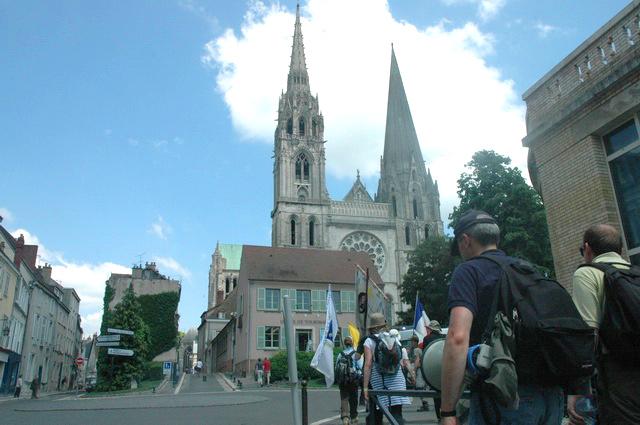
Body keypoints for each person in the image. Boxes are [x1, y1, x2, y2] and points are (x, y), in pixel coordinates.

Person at [440, 210, 564, 425]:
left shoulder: (468, 271)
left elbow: (457, 338)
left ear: (465, 241)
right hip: (552, 396)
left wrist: (448, 411)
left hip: (506, 396)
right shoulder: (526, 269)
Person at [568, 224, 639, 425]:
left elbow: (587, 337)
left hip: (618, 376)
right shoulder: (636, 272)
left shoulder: (588, 273)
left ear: (587, 248)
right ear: (621, 249)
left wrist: (579, 393)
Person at [363, 312, 411, 425]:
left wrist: (365, 387)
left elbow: (368, 364)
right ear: (383, 325)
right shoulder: (393, 337)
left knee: (377, 413)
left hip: (379, 379)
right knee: (397, 414)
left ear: (372, 327)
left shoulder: (368, 341)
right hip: (397, 378)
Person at [420, 320, 444, 418]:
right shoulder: (444, 337)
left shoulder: (427, 339)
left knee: (435, 391)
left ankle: (438, 416)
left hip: (431, 367)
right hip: (444, 366)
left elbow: (425, 353)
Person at [337, 336, 361, 425]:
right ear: (352, 343)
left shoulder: (340, 354)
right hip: (353, 379)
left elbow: (336, 367)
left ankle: (345, 418)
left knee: (344, 398)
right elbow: (361, 366)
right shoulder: (355, 354)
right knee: (353, 398)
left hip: (343, 380)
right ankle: (354, 417)